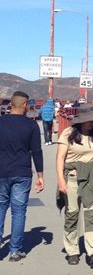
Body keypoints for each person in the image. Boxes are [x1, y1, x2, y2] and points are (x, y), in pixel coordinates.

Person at [55, 104, 93, 268]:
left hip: (91, 179)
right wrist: (60, 181)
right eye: (89, 121)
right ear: (81, 121)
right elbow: (60, 158)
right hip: (72, 178)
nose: (92, 123)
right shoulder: (68, 134)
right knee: (72, 214)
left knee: (92, 214)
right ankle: (72, 250)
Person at [0, 91, 44, 262]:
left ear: (11, 104)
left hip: (1, 171)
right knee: (18, 211)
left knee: (1, 207)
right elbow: (37, 152)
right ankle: (15, 251)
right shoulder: (31, 125)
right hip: (22, 173)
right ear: (25, 105)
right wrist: (40, 175)